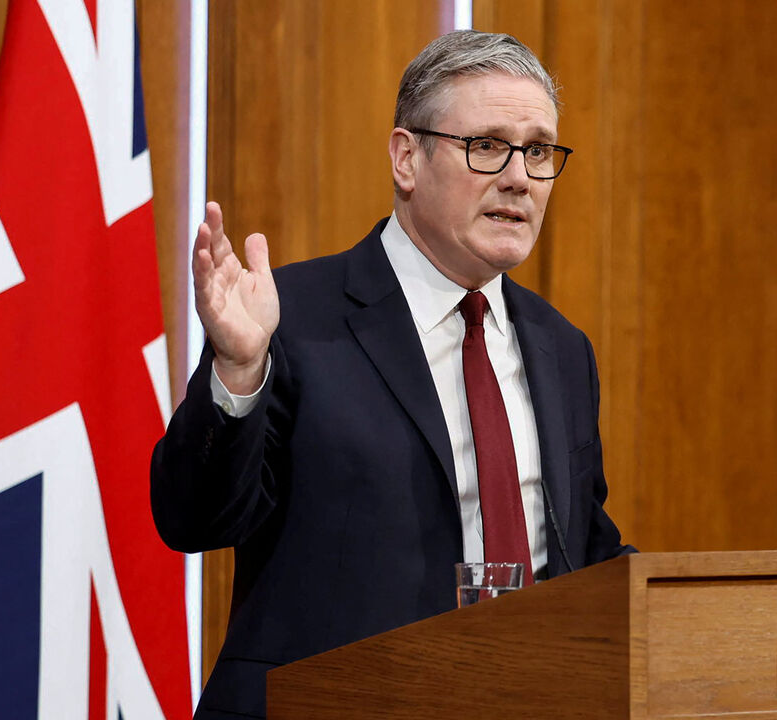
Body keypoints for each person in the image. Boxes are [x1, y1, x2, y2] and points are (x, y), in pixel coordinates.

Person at [151, 30, 633, 719]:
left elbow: (582, 552)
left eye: (539, 150)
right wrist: (237, 368)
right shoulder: (291, 320)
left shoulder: (562, 349)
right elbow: (192, 518)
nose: (520, 177)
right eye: (488, 145)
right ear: (407, 158)